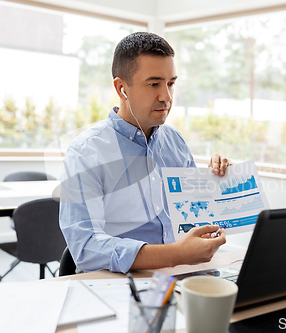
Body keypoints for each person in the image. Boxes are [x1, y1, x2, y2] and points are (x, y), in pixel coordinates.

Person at [59, 32, 231, 273]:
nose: (166, 97)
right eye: (154, 84)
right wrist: (176, 254)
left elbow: (194, 219)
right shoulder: (86, 153)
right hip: (122, 287)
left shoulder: (175, 143)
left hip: (185, 275)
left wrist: (219, 186)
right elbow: (86, 248)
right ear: (122, 88)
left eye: (170, 83)